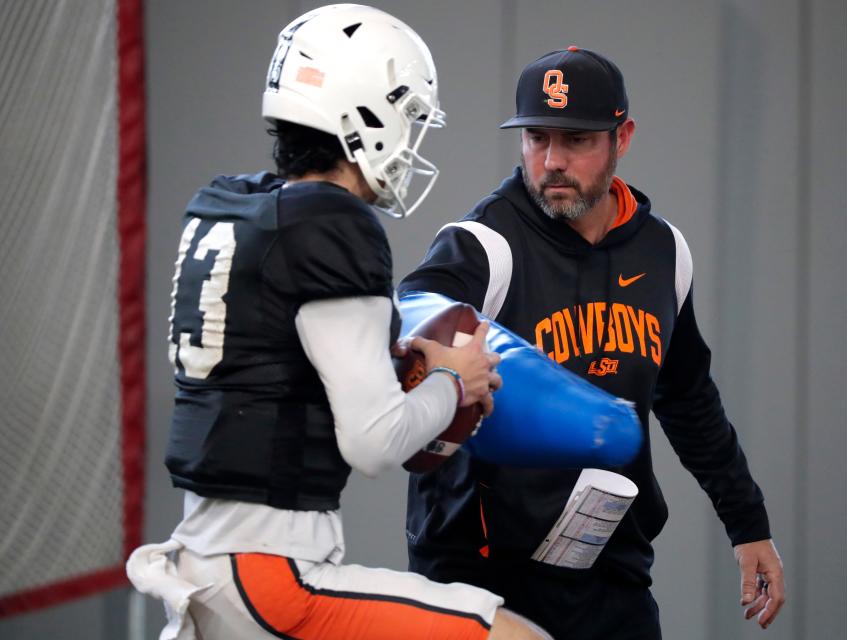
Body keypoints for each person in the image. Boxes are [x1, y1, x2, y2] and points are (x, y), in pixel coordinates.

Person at [126, 5, 549, 639]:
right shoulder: (332, 224)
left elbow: (270, 364)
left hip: (211, 561)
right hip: (269, 577)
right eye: (407, 119)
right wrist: (453, 383)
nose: (410, 142)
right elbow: (375, 441)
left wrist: (400, 361)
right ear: (366, 115)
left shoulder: (232, 209)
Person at [398, 47, 786, 639]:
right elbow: (413, 315)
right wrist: (420, 351)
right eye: (536, 137)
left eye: (576, 139)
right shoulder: (484, 245)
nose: (552, 160)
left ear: (621, 137)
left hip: (609, 571)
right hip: (479, 576)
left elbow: (686, 397)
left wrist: (747, 524)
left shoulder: (663, 252)